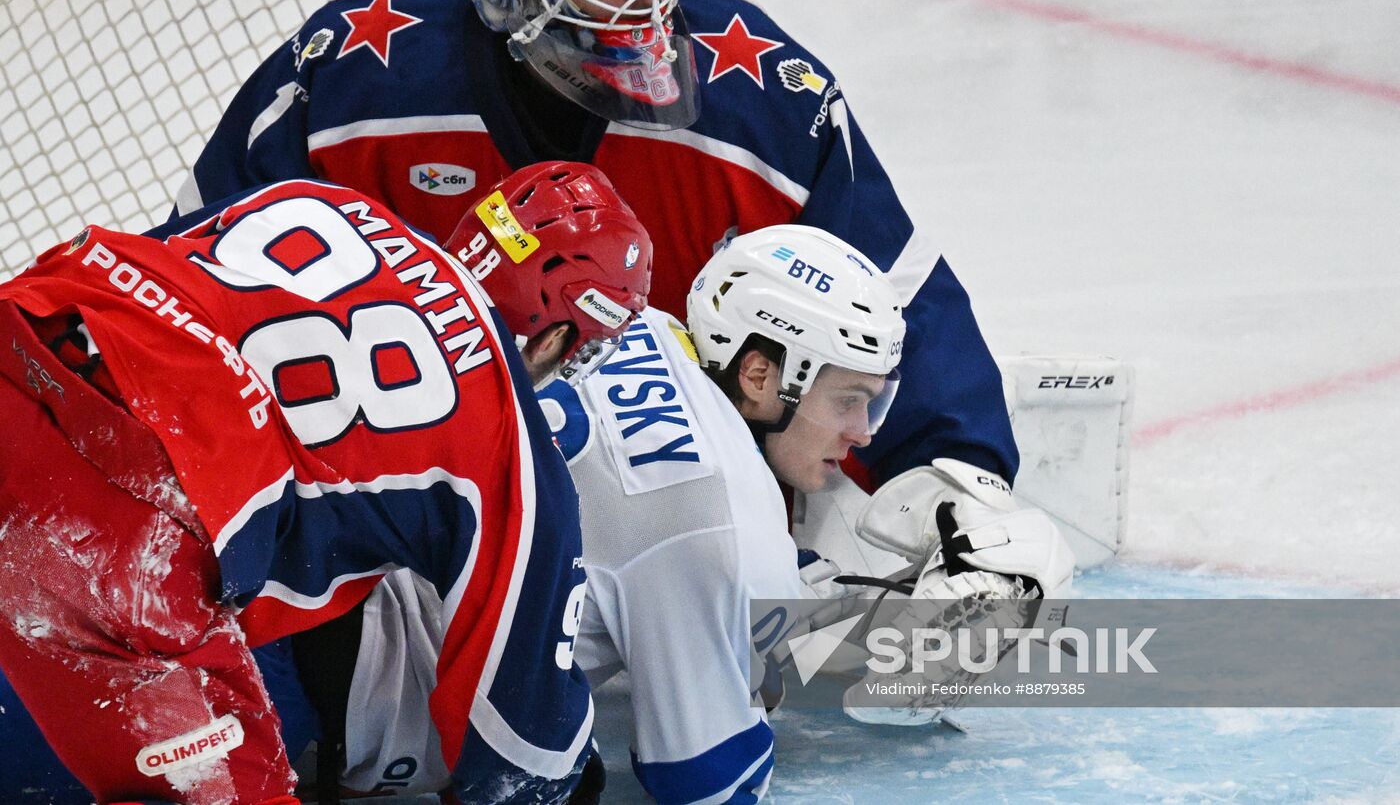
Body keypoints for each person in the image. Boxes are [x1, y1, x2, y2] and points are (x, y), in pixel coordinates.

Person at [179, 0, 1021, 522]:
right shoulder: (359, 82)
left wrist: (953, 481)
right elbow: (195, 283)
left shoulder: (755, 94)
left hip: (700, 531)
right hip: (412, 527)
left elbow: (891, 298)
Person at [263, 225, 1072, 804]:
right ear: (759, 373)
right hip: (302, 694)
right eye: (851, 398)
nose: (864, 434)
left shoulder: (635, 321)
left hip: (282, 555)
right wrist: (843, 648)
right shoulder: (719, 516)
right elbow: (702, 778)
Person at [0, 161, 651, 804]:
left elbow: (164, 269)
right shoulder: (510, 441)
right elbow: (518, 747)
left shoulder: (326, 198)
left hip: (27, 328)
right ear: (558, 333)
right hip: (117, 512)